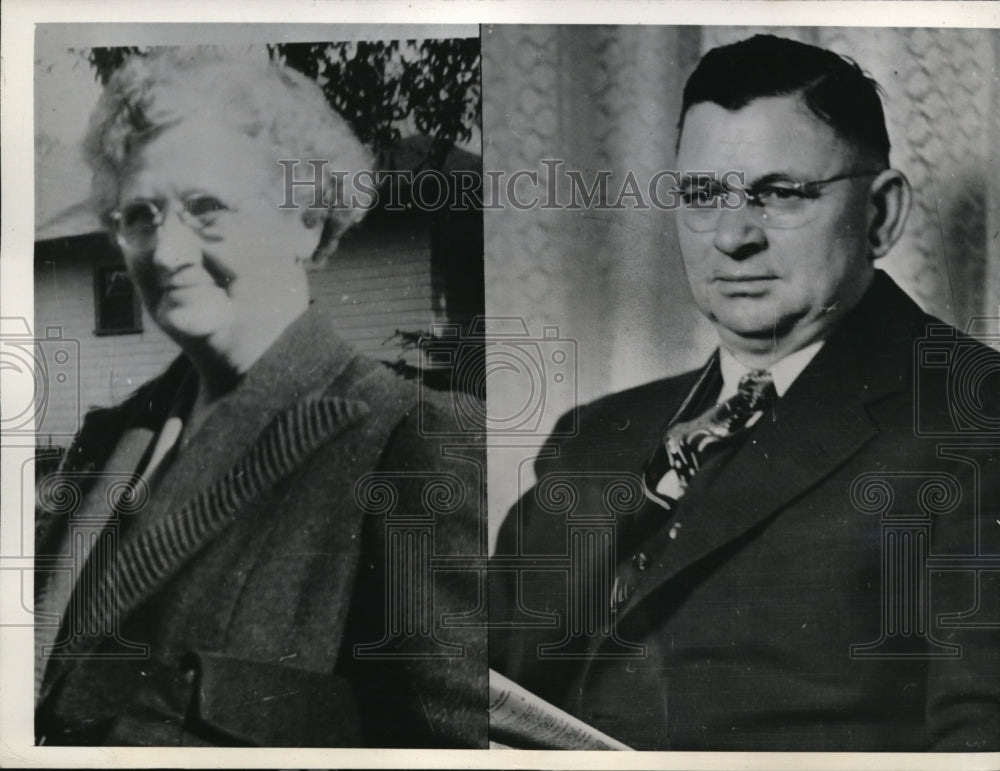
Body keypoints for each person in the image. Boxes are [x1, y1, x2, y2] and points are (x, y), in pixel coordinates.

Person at [490, 34, 1000, 751]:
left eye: (781, 193)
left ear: (880, 215)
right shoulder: (593, 436)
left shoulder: (976, 421)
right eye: (702, 194)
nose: (731, 236)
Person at [34, 46, 486, 747]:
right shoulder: (108, 441)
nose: (165, 251)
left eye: (206, 207)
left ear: (305, 218)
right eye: (140, 215)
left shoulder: (408, 441)